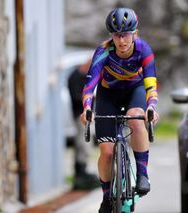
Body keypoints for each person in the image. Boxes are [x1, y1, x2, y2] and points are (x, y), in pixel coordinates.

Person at [79, 7, 159, 213]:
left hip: (135, 91)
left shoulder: (144, 50)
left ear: (134, 33)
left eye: (125, 35)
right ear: (111, 36)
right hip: (108, 96)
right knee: (106, 152)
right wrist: (87, 108)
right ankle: (107, 197)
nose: (121, 40)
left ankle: (142, 175)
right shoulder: (103, 52)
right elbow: (89, 86)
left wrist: (151, 106)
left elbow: (151, 84)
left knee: (136, 118)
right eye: (116, 35)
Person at [67, 59, 99, 190]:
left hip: (89, 115)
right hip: (80, 115)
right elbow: (76, 97)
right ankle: (80, 173)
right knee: (82, 143)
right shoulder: (75, 77)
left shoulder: (86, 77)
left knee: (86, 143)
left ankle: (83, 170)